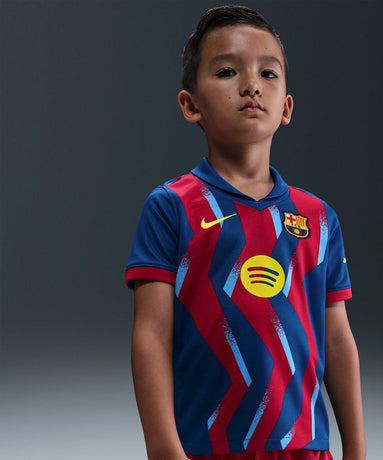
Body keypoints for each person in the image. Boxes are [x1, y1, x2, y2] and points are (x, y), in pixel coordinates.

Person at [125, 5, 366, 460]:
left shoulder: (317, 217)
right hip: (205, 446)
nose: (251, 85)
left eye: (268, 73)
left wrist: (356, 446)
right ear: (190, 105)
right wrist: (163, 447)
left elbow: (337, 339)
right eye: (228, 71)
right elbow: (152, 335)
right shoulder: (172, 206)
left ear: (286, 107)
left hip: (304, 446)